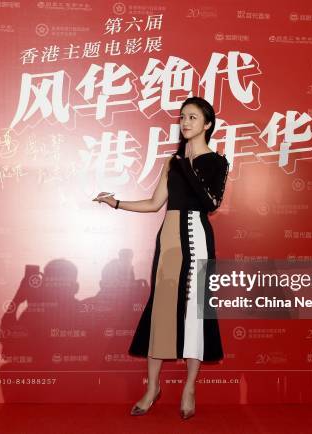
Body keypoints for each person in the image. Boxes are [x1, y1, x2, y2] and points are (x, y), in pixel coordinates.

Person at [92, 96, 229, 420]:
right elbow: (155, 204)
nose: (185, 122)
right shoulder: (172, 162)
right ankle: (152, 387)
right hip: (169, 240)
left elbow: (211, 203)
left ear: (207, 124)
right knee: (162, 310)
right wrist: (116, 203)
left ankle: (189, 388)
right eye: (182, 117)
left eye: (193, 118)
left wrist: (187, 165)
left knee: (196, 313)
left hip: (197, 238)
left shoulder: (217, 163)